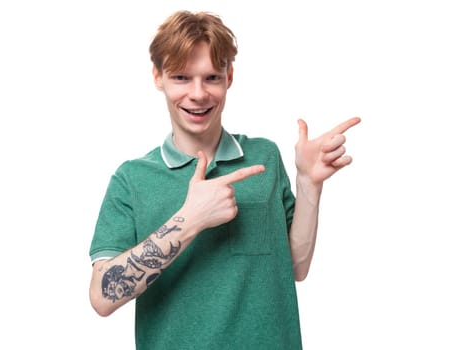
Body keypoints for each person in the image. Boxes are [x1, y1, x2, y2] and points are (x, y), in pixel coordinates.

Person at [88, 10, 360, 350]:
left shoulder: (264, 158)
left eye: (211, 78)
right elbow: (102, 297)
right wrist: (190, 220)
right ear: (158, 77)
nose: (198, 94)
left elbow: (294, 267)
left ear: (229, 77)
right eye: (182, 78)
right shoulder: (132, 178)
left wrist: (308, 183)